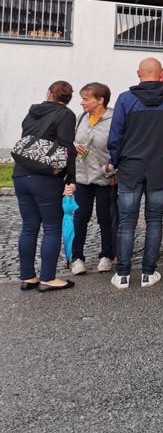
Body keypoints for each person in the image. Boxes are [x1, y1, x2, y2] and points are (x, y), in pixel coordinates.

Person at [107, 58, 163, 289]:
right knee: (154, 221)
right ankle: (148, 273)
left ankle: (123, 275)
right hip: (159, 168)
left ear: (138, 74)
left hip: (130, 168)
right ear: (161, 75)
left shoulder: (125, 99)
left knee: (126, 222)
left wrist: (116, 161)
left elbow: (115, 136)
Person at [13, 80, 77, 292]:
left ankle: (28, 277)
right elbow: (67, 149)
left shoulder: (32, 112)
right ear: (69, 98)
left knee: (29, 226)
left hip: (21, 173)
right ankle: (48, 278)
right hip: (45, 177)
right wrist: (71, 179)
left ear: (49, 93)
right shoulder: (66, 114)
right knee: (52, 227)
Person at [69, 82, 116, 275]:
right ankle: (77, 258)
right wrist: (73, 146)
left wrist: (109, 168)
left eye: (86, 99)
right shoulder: (81, 117)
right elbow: (72, 140)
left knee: (105, 218)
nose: (81, 102)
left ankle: (107, 256)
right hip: (82, 177)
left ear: (100, 100)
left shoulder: (115, 119)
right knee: (80, 217)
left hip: (105, 177)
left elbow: (122, 148)